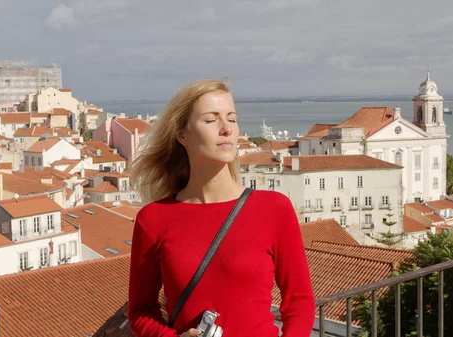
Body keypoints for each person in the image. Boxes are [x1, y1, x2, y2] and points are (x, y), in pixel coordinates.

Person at [127, 79, 315, 337]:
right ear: (182, 134)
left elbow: (300, 302)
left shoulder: (274, 209)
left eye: (232, 118)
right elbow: (140, 311)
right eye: (210, 120)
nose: (226, 128)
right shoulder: (153, 219)